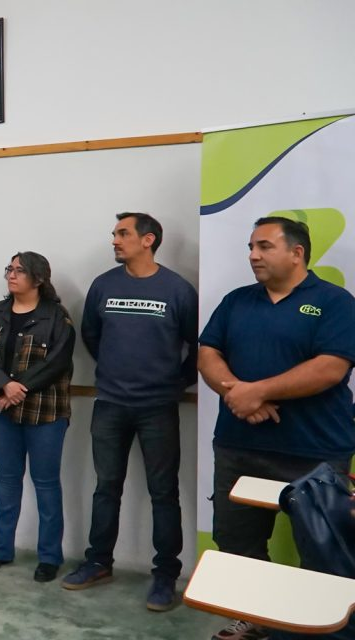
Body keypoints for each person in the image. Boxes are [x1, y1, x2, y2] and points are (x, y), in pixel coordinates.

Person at [198, 216, 355, 640]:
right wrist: (238, 395)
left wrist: (258, 391)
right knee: (236, 541)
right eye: (251, 247)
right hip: (238, 445)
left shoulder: (335, 302)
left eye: (264, 246)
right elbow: (208, 353)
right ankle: (256, 621)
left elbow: (330, 367)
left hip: (314, 451)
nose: (253, 255)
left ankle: (316, 630)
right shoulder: (236, 301)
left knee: (324, 550)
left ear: (296, 252)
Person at [61, 212, 198, 612]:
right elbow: (91, 335)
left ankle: (165, 575)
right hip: (110, 404)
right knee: (106, 487)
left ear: (148, 240)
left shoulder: (177, 289)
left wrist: (176, 382)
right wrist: (114, 371)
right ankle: (98, 562)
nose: (115, 240)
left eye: (123, 233)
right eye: (115, 234)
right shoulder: (104, 285)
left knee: (164, 493)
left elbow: (198, 345)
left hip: (158, 407)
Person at [0, 252, 75, 582]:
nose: (11, 275)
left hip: (45, 412)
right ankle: (0, 549)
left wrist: (20, 388)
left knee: (46, 484)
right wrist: (5, 385)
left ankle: (49, 557)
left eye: (20, 270)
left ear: (39, 278)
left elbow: (57, 362)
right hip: (2, 410)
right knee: (7, 479)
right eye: (10, 269)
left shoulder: (56, 316)